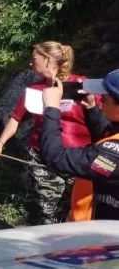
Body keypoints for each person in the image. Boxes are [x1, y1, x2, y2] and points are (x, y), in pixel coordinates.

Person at [0, 42, 98, 225]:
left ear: (47, 60)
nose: (31, 64)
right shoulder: (34, 90)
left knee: (78, 211)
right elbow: (16, 119)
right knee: (46, 210)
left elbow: (99, 118)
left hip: (78, 160)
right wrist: (0, 142)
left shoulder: (80, 86)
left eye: (34, 59)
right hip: (42, 158)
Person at [39, 68, 119, 220]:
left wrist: (52, 109)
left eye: (106, 98)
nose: (100, 100)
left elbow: (55, 156)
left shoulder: (112, 156)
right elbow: (107, 136)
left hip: (99, 237)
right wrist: (91, 108)